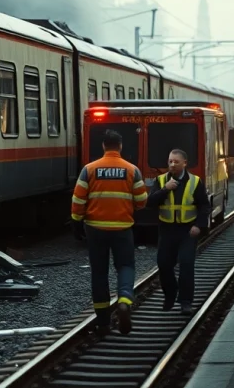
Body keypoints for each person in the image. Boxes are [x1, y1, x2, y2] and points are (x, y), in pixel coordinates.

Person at [71, 130, 148, 335]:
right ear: (120, 147)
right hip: (122, 228)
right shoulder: (132, 170)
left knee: (99, 273)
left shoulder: (89, 170)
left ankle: (104, 322)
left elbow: (78, 200)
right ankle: (124, 300)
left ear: (104, 146)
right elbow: (142, 201)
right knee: (125, 266)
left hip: (95, 229)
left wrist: (77, 222)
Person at [147, 149, 211, 315]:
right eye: (170, 161)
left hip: (187, 231)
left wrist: (199, 225)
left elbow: (204, 205)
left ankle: (186, 301)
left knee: (186, 264)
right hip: (167, 230)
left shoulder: (195, 182)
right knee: (164, 265)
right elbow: (150, 202)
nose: (172, 165)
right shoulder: (160, 181)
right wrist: (165, 190)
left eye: (176, 162)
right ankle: (170, 294)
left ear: (184, 163)